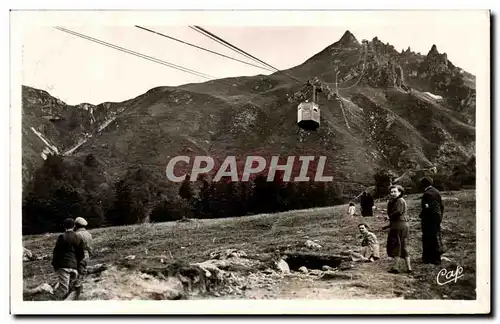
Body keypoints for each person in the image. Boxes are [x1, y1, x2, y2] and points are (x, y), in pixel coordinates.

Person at [51, 218, 85, 300]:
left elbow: (56, 252)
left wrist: (54, 264)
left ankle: (56, 303)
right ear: (74, 226)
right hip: (74, 266)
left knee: (63, 289)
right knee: (71, 288)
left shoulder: (62, 237)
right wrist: (77, 264)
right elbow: (81, 254)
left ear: (64, 227)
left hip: (62, 266)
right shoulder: (78, 237)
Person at [384, 185, 412, 274]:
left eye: (395, 191)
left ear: (400, 192)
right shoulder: (395, 201)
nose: (392, 193)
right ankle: (409, 268)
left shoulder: (400, 201)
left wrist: (389, 217)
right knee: (403, 246)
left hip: (399, 225)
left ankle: (395, 267)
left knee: (397, 245)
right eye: (391, 192)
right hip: (402, 225)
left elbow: (398, 212)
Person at [419, 177, 445, 265]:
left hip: (428, 220)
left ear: (423, 184)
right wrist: (440, 217)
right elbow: (441, 206)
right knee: (435, 238)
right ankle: (436, 258)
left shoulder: (427, 194)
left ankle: (429, 259)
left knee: (428, 238)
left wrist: (422, 216)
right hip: (437, 218)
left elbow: (427, 208)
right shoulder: (437, 192)